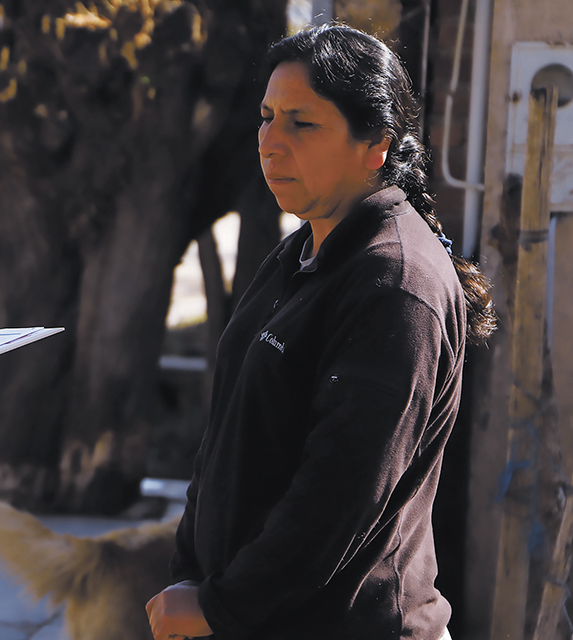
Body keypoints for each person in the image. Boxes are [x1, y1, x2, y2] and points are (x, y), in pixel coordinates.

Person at [145, 23, 495, 640]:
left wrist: (222, 606)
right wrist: (192, 576)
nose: (270, 143)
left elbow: (340, 494)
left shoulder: (396, 283)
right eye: (266, 116)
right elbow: (228, 437)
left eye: (302, 124)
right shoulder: (299, 254)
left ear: (376, 145)